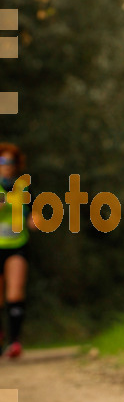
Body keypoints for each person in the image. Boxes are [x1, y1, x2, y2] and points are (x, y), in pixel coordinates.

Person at [0, 143, 35, 358]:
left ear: (16, 165)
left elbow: (31, 214)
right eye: (2, 162)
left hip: (17, 245)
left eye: (10, 162)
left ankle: (14, 342)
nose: (6, 166)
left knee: (15, 292)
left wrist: (34, 220)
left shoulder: (24, 187)